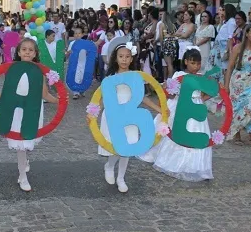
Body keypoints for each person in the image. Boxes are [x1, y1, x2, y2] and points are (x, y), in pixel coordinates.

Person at [0, 37, 60, 192]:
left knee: (26, 141)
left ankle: (24, 163)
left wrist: (58, 101)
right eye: (24, 49)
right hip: (15, 111)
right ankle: (23, 175)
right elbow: (8, 92)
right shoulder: (12, 70)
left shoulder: (39, 73)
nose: (27, 52)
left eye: (30, 50)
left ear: (35, 54)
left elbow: (44, 94)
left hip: (31, 110)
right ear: (19, 52)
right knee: (21, 145)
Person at [140, 48, 213, 181]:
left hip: (196, 109)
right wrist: (170, 87)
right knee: (174, 131)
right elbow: (171, 94)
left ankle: (195, 166)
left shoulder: (202, 77)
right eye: (192, 63)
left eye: (198, 63)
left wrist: (201, 99)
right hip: (179, 106)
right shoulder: (178, 75)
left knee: (195, 133)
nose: (196, 66)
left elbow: (210, 91)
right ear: (186, 62)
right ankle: (172, 160)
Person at [98, 42, 162, 193]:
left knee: (128, 146)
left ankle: (121, 177)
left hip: (131, 115)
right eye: (121, 56)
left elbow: (142, 98)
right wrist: (93, 112)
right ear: (116, 59)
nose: (124, 60)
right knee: (116, 145)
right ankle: (109, 165)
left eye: (127, 57)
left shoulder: (136, 78)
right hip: (113, 115)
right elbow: (102, 97)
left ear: (131, 59)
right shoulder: (111, 78)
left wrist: (159, 109)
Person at [224, 23, 251, 145]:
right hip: (238, 82)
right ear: (246, 34)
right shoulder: (238, 48)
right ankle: (237, 133)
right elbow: (230, 67)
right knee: (238, 107)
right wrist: (226, 85)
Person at [66, 26, 87, 100]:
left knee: (82, 77)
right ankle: (75, 92)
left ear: (82, 34)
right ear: (74, 35)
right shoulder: (72, 43)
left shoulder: (85, 43)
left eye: (79, 33)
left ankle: (81, 90)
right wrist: (67, 54)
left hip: (83, 63)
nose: (77, 35)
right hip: (75, 63)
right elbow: (68, 53)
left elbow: (88, 53)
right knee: (75, 77)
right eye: (76, 33)